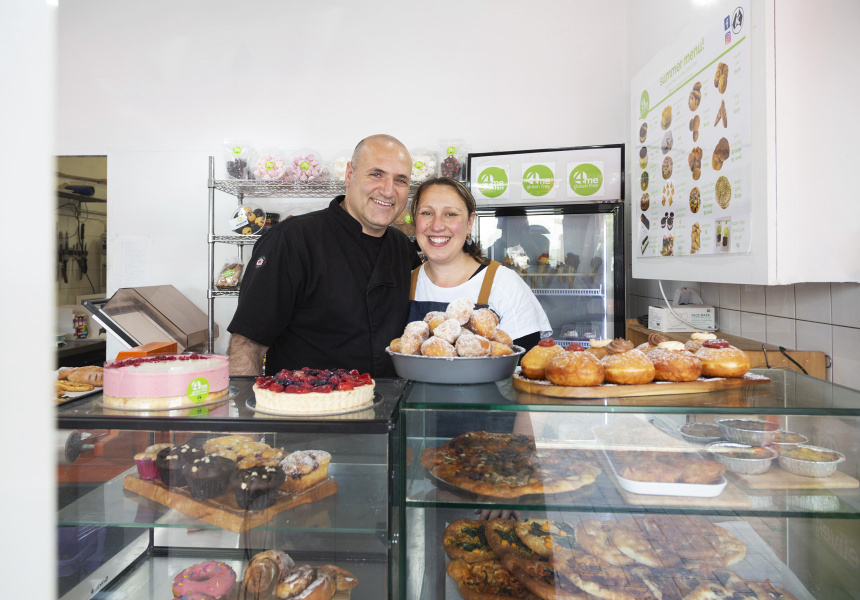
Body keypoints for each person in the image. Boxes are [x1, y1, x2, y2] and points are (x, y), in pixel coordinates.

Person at [227, 134, 421, 377]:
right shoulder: (291, 240)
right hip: (306, 400)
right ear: (349, 175)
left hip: (392, 400)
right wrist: (246, 399)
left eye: (400, 180)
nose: (388, 190)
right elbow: (247, 346)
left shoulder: (402, 247)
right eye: (376, 174)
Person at [407, 177, 551, 351]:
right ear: (415, 220)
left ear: (469, 223)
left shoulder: (503, 284)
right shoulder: (404, 284)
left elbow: (526, 363)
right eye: (426, 213)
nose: (437, 226)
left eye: (450, 214)